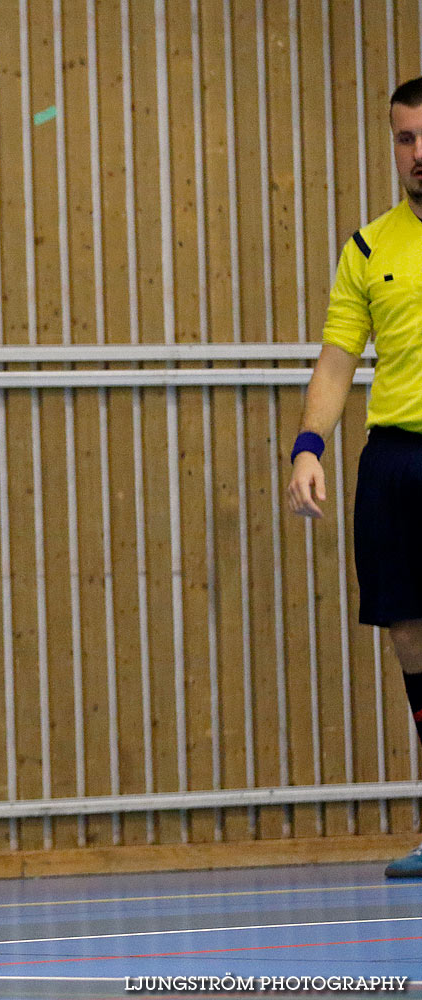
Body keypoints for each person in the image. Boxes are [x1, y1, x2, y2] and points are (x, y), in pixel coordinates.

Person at [288, 76, 422, 880]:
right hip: (397, 461)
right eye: (404, 139)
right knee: (411, 636)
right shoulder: (368, 248)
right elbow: (338, 360)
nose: (418, 154)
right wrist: (310, 443)